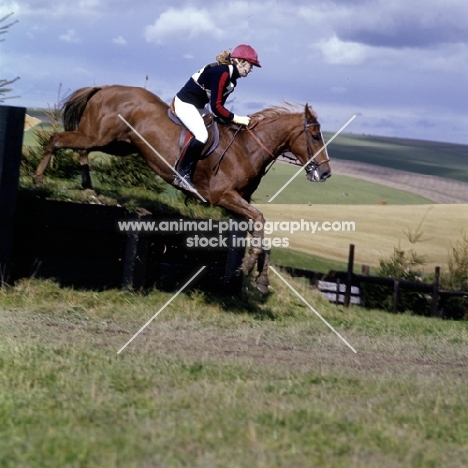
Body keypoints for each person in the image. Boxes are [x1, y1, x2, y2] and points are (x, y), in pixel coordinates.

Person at [172, 44, 261, 192]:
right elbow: (217, 107)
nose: (251, 70)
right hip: (185, 103)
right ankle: (181, 174)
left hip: (198, 105)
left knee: (216, 129)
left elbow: (219, 109)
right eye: (251, 65)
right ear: (240, 61)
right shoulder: (223, 73)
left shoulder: (232, 79)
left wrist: (229, 120)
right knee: (202, 135)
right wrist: (237, 119)